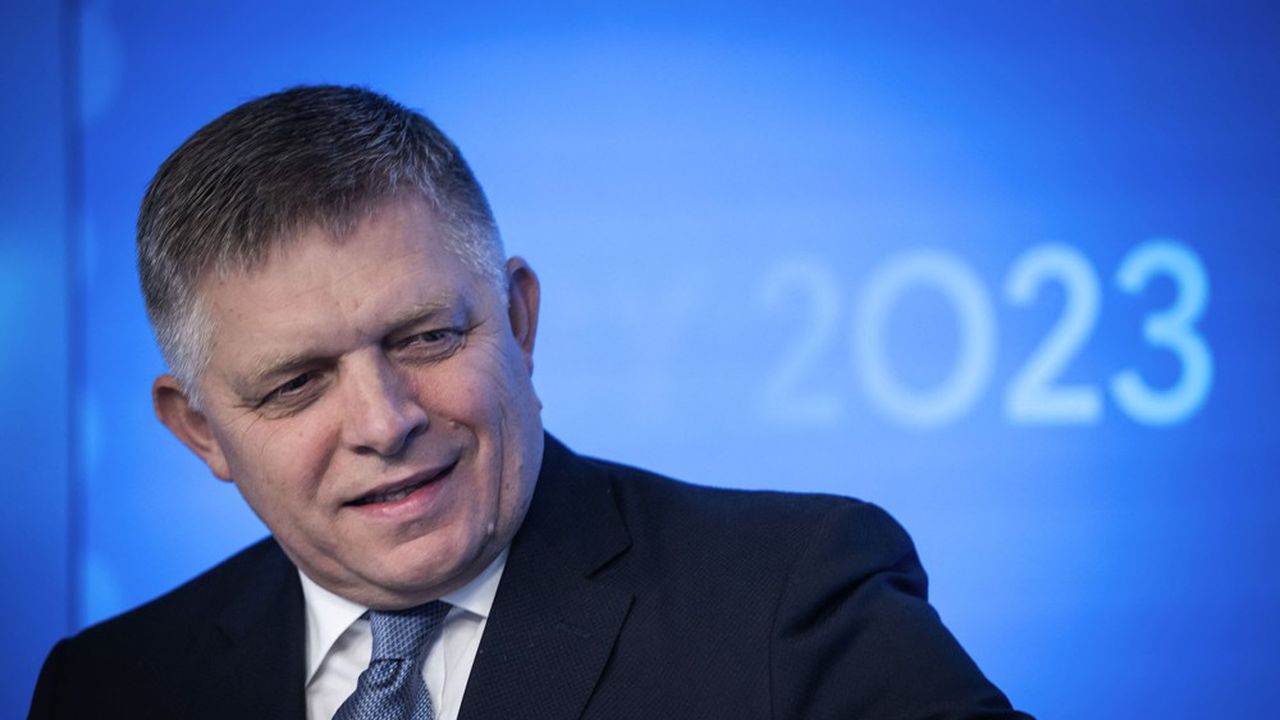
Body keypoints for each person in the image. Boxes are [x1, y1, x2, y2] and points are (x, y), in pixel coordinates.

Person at [29, 85, 1032, 720]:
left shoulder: (790, 601)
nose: (384, 422)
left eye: (425, 337)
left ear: (518, 317)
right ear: (200, 429)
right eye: (297, 384)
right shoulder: (107, 687)